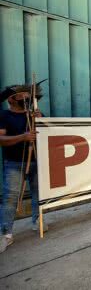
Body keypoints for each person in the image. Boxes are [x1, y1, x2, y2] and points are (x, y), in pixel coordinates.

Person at [0, 83, 48, 253]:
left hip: (37, 161)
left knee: (38, 193)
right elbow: (1, 139)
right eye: (22, 95)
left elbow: (48, 134)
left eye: (29, 96)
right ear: (11, 99)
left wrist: (40, 119)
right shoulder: (4, 115)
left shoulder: (34, 115)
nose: (27, 98)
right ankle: (6, 234)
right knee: (10, 197)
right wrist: (23, 137)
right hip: (13, 163)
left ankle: (37, 221)